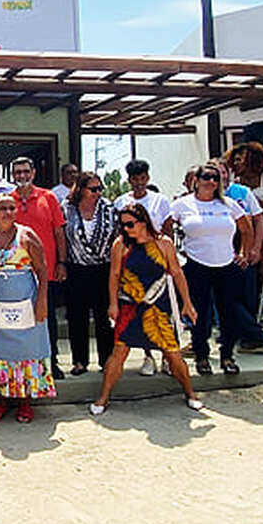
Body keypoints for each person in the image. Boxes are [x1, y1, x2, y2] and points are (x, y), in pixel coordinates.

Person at [90, 202, 203, 414]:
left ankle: (190, 393)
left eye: (130, 224)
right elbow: (114, 275)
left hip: (158, 306)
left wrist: (187, 303)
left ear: (143, 222)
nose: (126, 229)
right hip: (129, 307)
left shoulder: (163, 243)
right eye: (122, 225)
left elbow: (177, 273)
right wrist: (113, 304)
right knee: (119, 353)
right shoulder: (120, 245)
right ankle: (103, 398)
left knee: (173, 353)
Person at [162, 163, 255, 375]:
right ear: (197, 180)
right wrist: (174, 254)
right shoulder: (182, 204)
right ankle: (202, 356)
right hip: (196, 264)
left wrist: (242, 253)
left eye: (215, 178)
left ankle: (227, 356)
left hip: (226, 264)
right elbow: (166, 226)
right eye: (206, 177)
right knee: (198, 312)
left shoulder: (228, 204)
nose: (211, 182)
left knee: (229, 311)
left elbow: (246, 228)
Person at [0, 193, 56, 423]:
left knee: (26, 350)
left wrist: (41, 301)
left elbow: (42, 270)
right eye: (3, 208)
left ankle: (25, 402)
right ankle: (1, 400)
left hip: (26, 302)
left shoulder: (26, 235)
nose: (8, 213)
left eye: (12, 208)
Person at [114, 159, 173, 376]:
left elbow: (168, 230)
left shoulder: (160, 200)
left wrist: (169, 260)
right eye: (134, 179)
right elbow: (119, 232)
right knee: (142, 310)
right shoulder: (121, 201)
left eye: (142, 178)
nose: (139, 183)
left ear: (147, 178)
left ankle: (167, 356)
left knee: (164, 311)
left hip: (158, 260)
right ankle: (148, 357)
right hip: (134, 262)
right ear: (129, 180)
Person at [11, 156, 67, 380]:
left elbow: (59, 232)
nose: (22, 176)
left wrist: (62, 262)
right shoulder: (8, 199)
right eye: (18, 173)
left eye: (26, 171)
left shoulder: (48, 197)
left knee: (47, 318)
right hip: (18, 272)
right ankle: (25, 362)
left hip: (48, 270)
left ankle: (51, 361)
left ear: (33, 173)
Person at [64, 172, 118, 375]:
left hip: (103, 269)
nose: (97, 193)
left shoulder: (109, 209)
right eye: (93, 189)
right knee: (77, 317)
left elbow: (117, 236)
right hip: (76, 269)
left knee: (104, 318)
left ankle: (106, 360)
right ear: (81, 189)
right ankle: (79, 361)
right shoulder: (66, 209)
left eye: (99, 189)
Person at [227, 141, 263, 325]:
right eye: (234, 160)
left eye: (240, 160)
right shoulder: (237, 184)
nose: (236, 164)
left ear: (252, 160)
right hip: (244, 229)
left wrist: (257, 203)